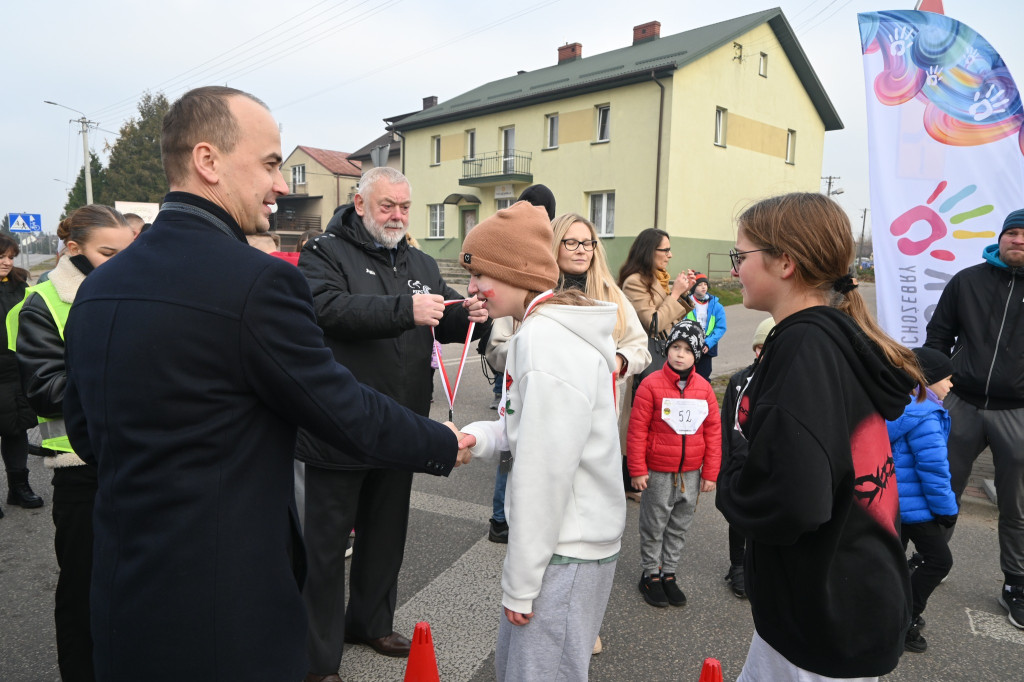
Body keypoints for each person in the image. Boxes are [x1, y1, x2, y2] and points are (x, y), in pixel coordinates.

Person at [61, 86, 472, 682]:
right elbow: (338, 406)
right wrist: (438, 441)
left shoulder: (99, 286)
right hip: (226, 604)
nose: (281, 185)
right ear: (209, 161)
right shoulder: (258, 282)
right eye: (271, 163)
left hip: (124, 590)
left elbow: (86, 431)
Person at [716, 192, 925, 681]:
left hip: (826, 618)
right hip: (844, 604)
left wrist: (734, 469)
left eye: (740, 256)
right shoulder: (833, 338)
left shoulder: (805, 344)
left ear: (785, 262)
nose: (734, 270)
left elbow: (794, 500)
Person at [294, 166, 487, 677]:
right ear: (360, 205)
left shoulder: (418, 260)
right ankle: (318, 657)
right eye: (387, 206)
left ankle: (371, 623)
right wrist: (405, 308)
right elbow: (324, 309)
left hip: (400, 427)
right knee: (326, 549)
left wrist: (467, 312)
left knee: (385, 534)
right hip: (338, 428)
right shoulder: (324, 253)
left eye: (404, 206)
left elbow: (439, 316)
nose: (398, 215)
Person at [458, 201, 626, 682]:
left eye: (478, 274)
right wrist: (478, 436)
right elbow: (525, 425)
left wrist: (520, 584)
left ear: (514, 271)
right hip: (565, 545)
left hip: (564, 551)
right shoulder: (540, 330)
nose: (470, 288)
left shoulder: (545, 342)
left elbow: (543, 473)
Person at [8, 204, 135, 681]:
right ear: (73, 249)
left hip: (139, 462)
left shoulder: (130, 290)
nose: (121, 262)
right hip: (80, 469)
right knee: (83, 592)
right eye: (108, 253)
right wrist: (130, 382)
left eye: (128, 251)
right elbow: (45, 387)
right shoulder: (41, 303)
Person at [923, 209, 1024, 630]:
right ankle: (931, 560)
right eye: (1013, 233)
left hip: (1016, 411)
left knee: (1017, 505)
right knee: (941, 489)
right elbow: (938, 338)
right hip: (961, 403)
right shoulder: (967, 280)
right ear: (1000, 238)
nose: (1018, 240)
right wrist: (938, 381)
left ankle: (1016, 584)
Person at [627, 319, 721, 608]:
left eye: (687, 350)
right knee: (654, 524)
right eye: (675, 347)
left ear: (697, 355)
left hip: (691, 473)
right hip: (657, 470)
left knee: (679, 524)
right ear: (667, 349)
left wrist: (711, 473)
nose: (680, 354)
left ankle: (669, 573)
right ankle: (650, 574)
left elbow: (713, 431)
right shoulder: (650, 384)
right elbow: (637, 429)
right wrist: (638, 469)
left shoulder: (704, 389)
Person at [887, 347, 959, 654]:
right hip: (915, 508)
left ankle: (886, 617)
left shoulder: (900, 404)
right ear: (928, 380)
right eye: (947, 378)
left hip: (891, 502)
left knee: (893, 565)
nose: (951, 385)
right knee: (939, 560)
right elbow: (933, 470)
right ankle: (906, 620)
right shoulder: (927, 414)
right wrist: (947, 511)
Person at [718, 316, 775, 599]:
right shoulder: (740, 381)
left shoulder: (785, 383)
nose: (759, 353)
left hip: (770, 465)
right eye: (758, 346)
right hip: (741, 463)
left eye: (767, 347)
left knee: (766, 517)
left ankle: (759, 566)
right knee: (738, 518)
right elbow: (728, 421)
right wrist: (727, 463)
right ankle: (738, 565)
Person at [0, 233, 40, 518]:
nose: (6, 262)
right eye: (2, 256)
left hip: (14, 369)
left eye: (11, 257)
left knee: (16, 429)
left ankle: (19, 488)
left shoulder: (19, 285)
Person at [685, 273, 727, 380]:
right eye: (700, 285)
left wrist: (709, 343)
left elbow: (721, 327)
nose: (704, 287)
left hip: (707, 346)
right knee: (687, 375)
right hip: (689, 344)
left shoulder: (716, 306)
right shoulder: (686, 303)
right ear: (693, 287)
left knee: (703, 376)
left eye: (705, 284)